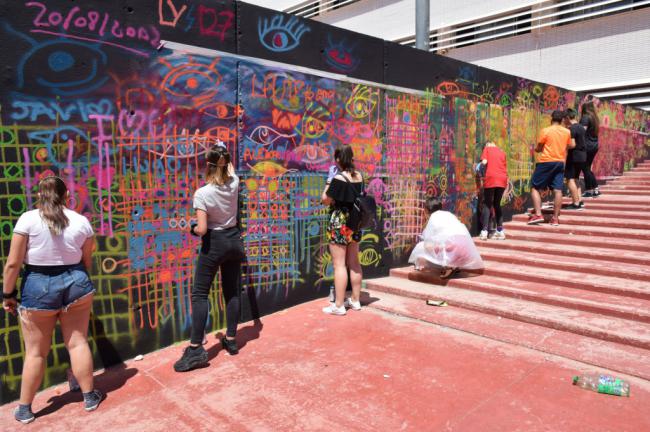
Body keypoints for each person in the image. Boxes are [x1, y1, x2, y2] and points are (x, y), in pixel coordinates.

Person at [2, 176, 102, 424]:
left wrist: (8, 294)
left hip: (37, 285)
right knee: (78, 342)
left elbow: (13, 263)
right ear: (67, 195)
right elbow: (87, 261)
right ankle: (89, 397)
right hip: (77, 282)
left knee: (36, 353)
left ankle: (25, 409)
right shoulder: (81, 221)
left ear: (39, 195)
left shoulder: (27, 219)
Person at [174, 144, 246, 372]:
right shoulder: (234, 183)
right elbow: (231, 167)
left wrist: (193, 227)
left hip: (214, 243)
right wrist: (223, 148)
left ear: (209, 165)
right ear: (225, 162)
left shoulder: (202, 193)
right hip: (235, 241)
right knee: (232, 291)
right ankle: (232, 339)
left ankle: (195, 348)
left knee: (200, 293)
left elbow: (203, 229)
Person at [320, 145, 363, 316]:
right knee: (354, 262)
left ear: (338, 159)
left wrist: (329, 181)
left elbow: (325, 200)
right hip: (355, 222)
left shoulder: (338, 178)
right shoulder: (359, 175)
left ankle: (338, 305)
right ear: (351, 158)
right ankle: (355, 300)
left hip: (339, 222)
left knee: (339, 265)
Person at [408, 197, 484, 279]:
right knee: (442, 244)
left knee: (421, 246)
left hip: (454, 249)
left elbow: (427, 240)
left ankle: (449, 266)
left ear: (426, 210)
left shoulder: (433, 218)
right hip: (466, 250)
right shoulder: (448, 214)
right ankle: (455, 265)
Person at [528, 110, 575, 226]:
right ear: (562, 120)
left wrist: (536, 149)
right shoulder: (567, 132)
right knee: (558, 190)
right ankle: (555, 218)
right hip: (560, 162)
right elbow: (570, 145)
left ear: (551, 118)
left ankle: (538, 214)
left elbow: (539, 147)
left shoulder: (546, 131)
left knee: (534, 187)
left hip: (546, 162)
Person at [477, 142, 508, 240]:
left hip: (491, 179)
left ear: (487, 145)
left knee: (487, 204)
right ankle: (500, 231)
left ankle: (484, 231)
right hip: (502, 179)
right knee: (497, 204)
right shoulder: (502, 152)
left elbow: (484, 162)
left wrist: (479, 166)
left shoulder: (487, 149)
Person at [563, 109, 587, 210]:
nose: (564, 121)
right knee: (576, 178)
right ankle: (580, 201)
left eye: (564, 119)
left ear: (568, 118)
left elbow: (572, 144)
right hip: (582, 156)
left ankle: (576, 203)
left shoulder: (572, 128)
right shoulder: (581, 127)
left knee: (569, 179)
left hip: (574, 156)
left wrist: (564, 147)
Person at [580, 101, 601, 198]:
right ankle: (595, 189)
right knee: (587, 168)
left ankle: (590, 190)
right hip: (594, 146)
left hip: (587, 146)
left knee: (585, 168)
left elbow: (581, 131)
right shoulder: (594, 118)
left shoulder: (585, 117)